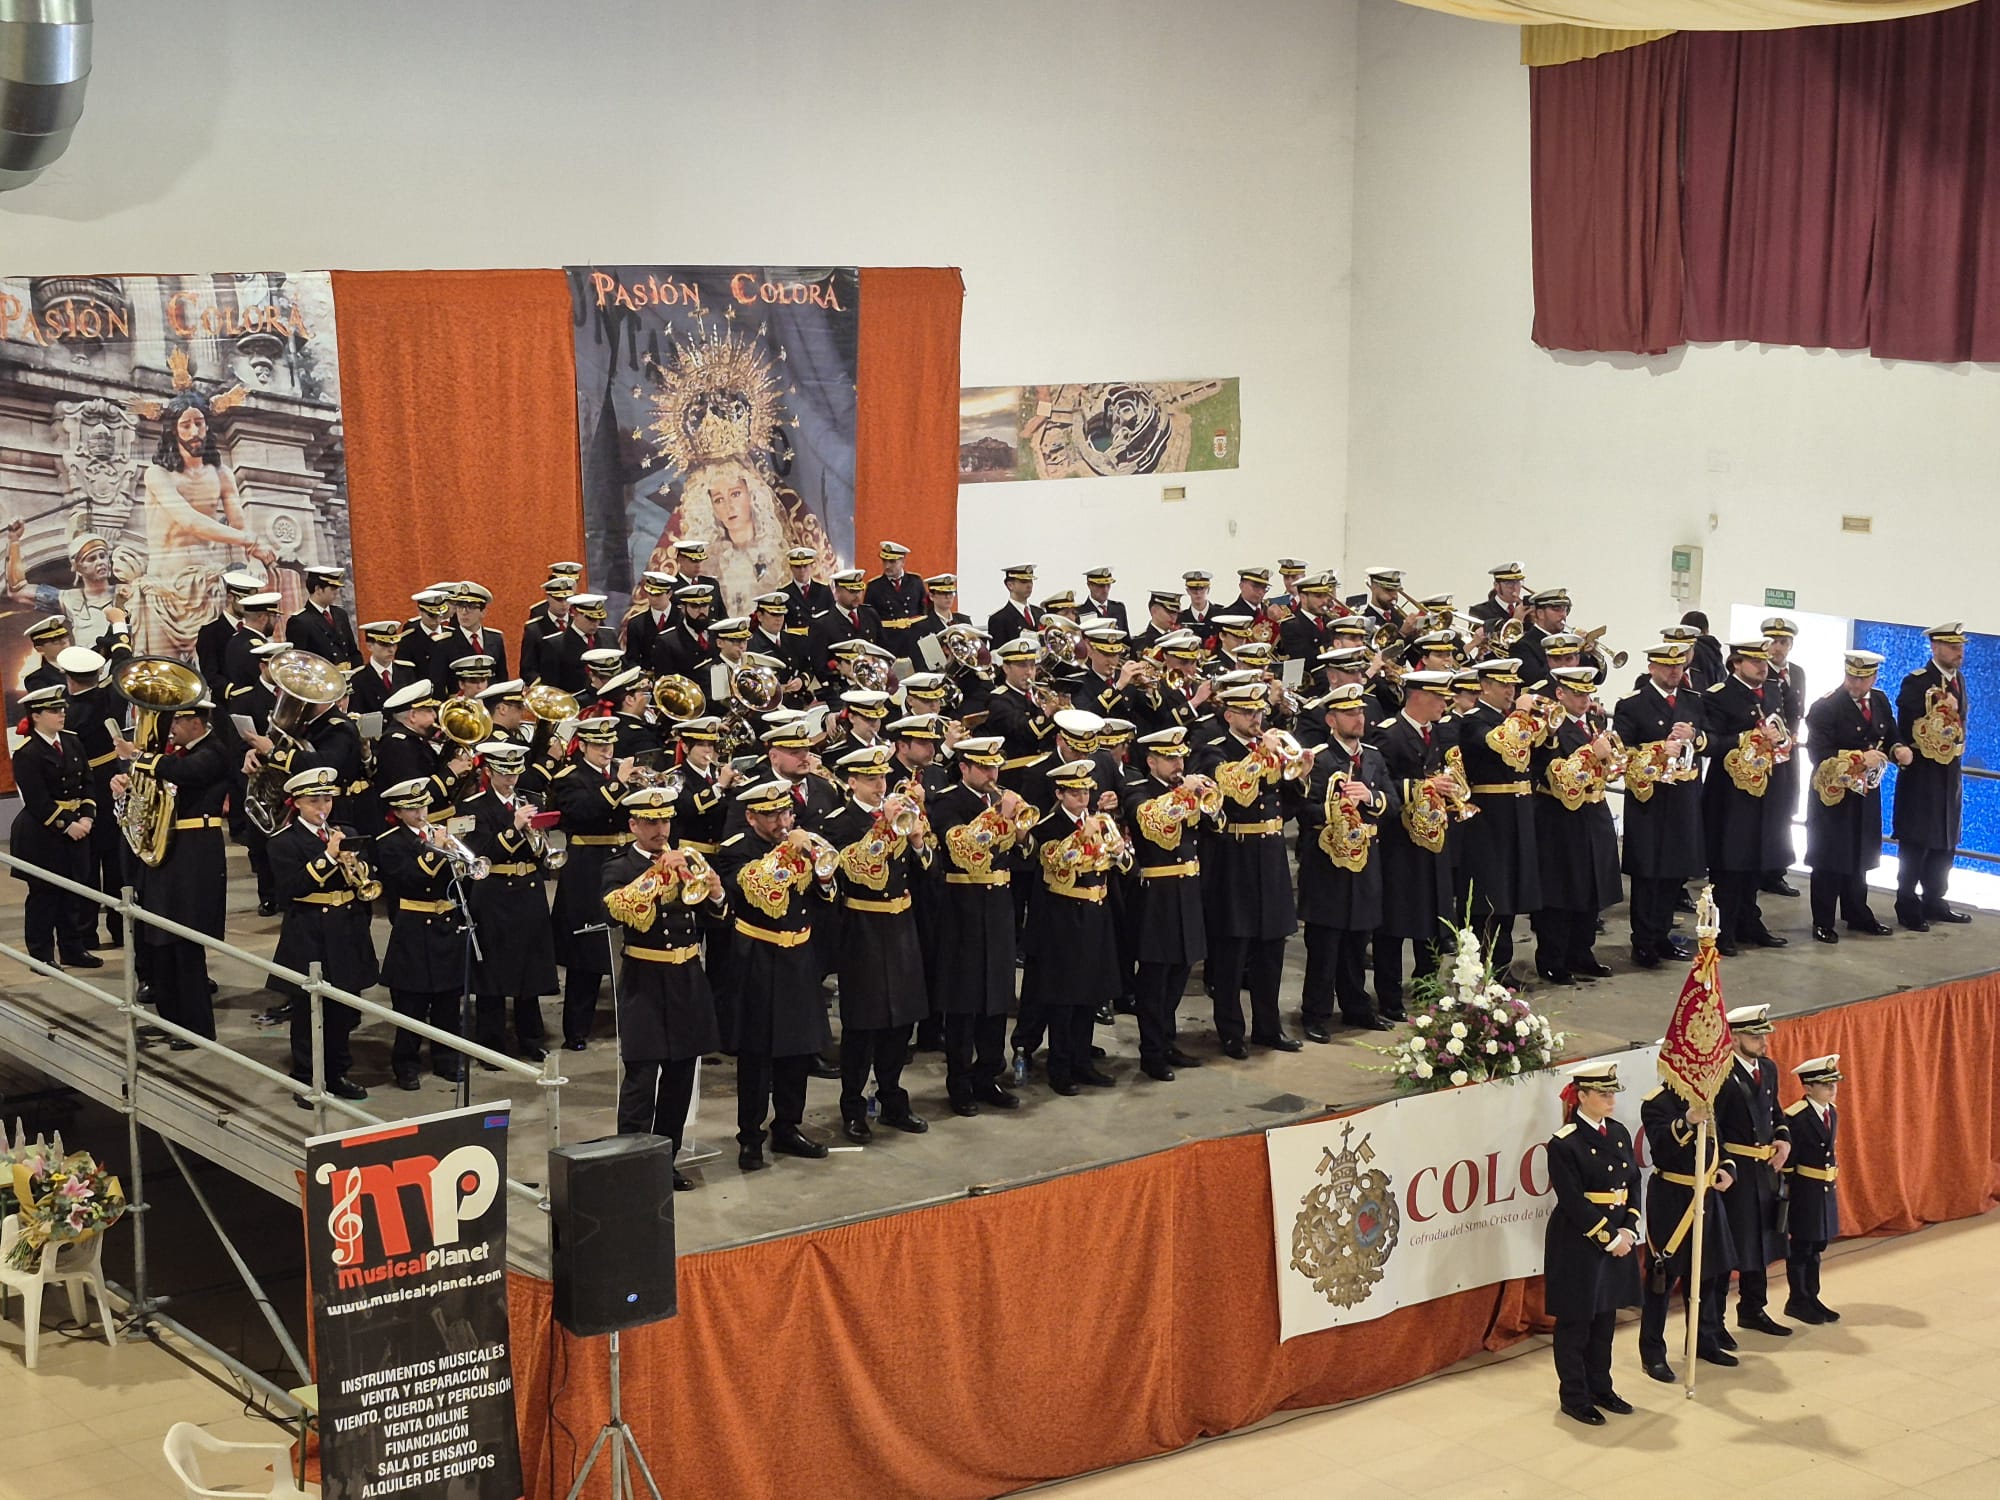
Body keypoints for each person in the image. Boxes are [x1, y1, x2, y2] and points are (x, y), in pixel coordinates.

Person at [601, 787, 724, 1190]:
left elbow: (718, 918)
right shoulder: (620, 866)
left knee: (679, 1079)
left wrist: (717, 889)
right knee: (641, 1078)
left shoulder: (689, 861)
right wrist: (657, 874)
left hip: (686, 977)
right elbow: (614, 911)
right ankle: (631, 1163)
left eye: (665, 821)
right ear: (633, 825)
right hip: (646, 981)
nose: (660, 829)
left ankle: (665, 1160)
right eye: (650, 822)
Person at [715, 780, 838, 1168]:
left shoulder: (803, 844)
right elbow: (756, 890)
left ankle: (788, 1125)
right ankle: (750, 1134)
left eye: (786, 813)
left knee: (796, 1049)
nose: (782, 821)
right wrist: (788, 850)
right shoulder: (736, 851)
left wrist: (823, 876)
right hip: (757, 956)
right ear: (751, 816)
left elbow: (827, 894)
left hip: (799, 955)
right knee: (757, 1053)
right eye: (771, 815)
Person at [820, 744, 933, 1140]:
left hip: (901, 925)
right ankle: (853, 1106)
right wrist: (883, 827)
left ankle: (892, 1098)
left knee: (901, 1021)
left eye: (882, 778)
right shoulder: (840, 822)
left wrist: (918, 841)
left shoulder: (902, 815)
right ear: (851, 781)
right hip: (863, 927)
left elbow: (926, 871)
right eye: (870, 779)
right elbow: (853, 871)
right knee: (862, 1025)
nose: (879, 785)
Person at [1189, 684, 1302, 1056]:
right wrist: (1262, 757)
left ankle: (1269, 1027)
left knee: (1272, 947)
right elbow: (1233, 789)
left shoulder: (1269, 749)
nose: (1257, 719)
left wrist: (1299, 775)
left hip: (1269, 853)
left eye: (1259, 712)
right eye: (1248, 713)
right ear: (1229, 717)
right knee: (1231, 950)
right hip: (1233, 856)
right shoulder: (1214, 751)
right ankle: (1231, 1031)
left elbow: (1288, 802)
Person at [112, 696, 231, 1043]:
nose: (172, 728)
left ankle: (196, 1027)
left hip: (193, 855)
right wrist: (127, 786)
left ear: (197, 721)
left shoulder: (213, 750)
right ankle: (170, 1019)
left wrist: (139, 756)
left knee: (185, 943)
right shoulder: (179, 752)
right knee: (159, 940)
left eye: (177, 722)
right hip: (166, 853)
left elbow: (186, 773)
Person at [132, 373, 275, 657]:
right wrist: (251, 540)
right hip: (165, 589)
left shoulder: (221, 474)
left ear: (207, 426)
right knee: (165, 678)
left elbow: (238, 522)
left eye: (199, 423)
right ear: (173, 431)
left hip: (208, 588)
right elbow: (189, 521)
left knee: (211, 669)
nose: (194, 431)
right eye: (185, 425)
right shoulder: (158, 474)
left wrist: (254, 557)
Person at [925, 736, 1029, 1116]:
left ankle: (989, 1074)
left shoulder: (999, 799)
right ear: (965, 767)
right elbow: (961, 848)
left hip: (999, 905)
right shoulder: (949, 801)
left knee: (997, 996)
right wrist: (1000, 816)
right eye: (983, 767)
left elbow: (1022, 850)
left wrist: (1019, 831)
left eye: (994, 766)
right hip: (962, 907)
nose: (991, 773)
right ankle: (960, 1081)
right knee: (964, 1000)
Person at [271, 766, 378, 1106]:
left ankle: (338, 1071)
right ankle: (307, 1077)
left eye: (327, 799)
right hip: (310, 931)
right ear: (297, 803)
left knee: (343, 1009)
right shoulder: (284, 841)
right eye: (315, 800)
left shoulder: (346, 831)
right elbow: (289, 888)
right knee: (308, 1011)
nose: (323, 807)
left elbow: (367, 872)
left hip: (346, 929)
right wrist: (328, 858)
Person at [1544, 1060, 1642, 1426]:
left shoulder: (1616, 1132)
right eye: (1602, 1093)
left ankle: (1602, 1386)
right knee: (1576, 1321)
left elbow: (1633, 1180)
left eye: (1612, 1092)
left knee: (1605, 1319)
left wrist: (1630, 1226)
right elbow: (1572, 1199)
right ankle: (1574, 1394)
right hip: (1579, 1241)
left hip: (1618, 1234)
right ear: (1582, 1096)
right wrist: (1608, 1237)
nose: (1610, 1099)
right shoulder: (1564, 1143)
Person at [1020, 759, 1122, 1093]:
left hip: (1096, 910)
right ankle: (1060, 1066)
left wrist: (1120, 849)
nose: (1083, 798)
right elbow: (1057, 865)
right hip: (1063, 916)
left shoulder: (1100, 821)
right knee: (1064, 996)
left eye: (1086, 791)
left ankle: (1082, 1060)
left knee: (1090, 991)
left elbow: (1122, 863)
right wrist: (1082, 838)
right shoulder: (1048, 827)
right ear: (1060, 793)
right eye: (1075, 792)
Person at [1122, 728, 1216, 1078]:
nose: (1178, 764)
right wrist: (1185, 793)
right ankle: (1151, 1052)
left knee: (1179, 973)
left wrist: (1206, 800)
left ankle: (1166, 1041)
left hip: (1188, 891)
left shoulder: (1187, 792)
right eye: (1170, 758)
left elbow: (1212, 826)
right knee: (1154, 979)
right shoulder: (1137, 792)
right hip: (1156, 895)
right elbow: (1151, 820)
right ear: (1151, 762)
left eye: (1180, 757)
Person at [461, 740, 558, 1062]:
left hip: (528, 889)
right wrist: (515, 828)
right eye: (505, 774)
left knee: (529, 969)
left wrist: (541, 842)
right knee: (494, 972)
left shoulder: (530, 800)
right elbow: (480, 851)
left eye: (516, 773)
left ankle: (531, 1039)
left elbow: (540, 845)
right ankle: (492, 1045)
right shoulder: (474, 806)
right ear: (489, 772)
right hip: (495, 891)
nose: (512, 780)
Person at [1369, 670, 1458, 1019]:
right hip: (1398, 843)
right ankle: (1389, 998)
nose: (1443, 704)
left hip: (1432, 837)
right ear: (1417, 696)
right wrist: (1423, 786)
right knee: (1394, 923)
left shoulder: (1435, 733)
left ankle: (1427, 987)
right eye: (1438, 697)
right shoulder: (1389, 735)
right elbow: (1382, 781)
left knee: (1433, 916)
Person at [372, 778, 471, 1089]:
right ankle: (406, 1064)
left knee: (447, 1001)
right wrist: (436, 852)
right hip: (413, 926)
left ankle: (446, 1059)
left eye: (423, 806)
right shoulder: (389, 842)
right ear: (398, 812)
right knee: (410, 1003)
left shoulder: (438, 836)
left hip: (446, 923)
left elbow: (459, 882)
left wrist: (459, 860)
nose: (420, 813)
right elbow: (407, 878)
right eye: (412, 808)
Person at [1802, 650, 1906, 943]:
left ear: (1873, 678)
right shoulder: (1826, 707)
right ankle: (1822, 920)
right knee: (1829, 857)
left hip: (1866, 792)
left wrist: (1897, 749)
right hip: (1833, 794)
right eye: (1851, 677)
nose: (1855, 684)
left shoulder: (1881, 700)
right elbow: (1818, 754)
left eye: (1862, 679)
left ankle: (1857, 912)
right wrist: (1859, 758)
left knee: (1860, 855)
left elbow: (1890, 733)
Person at [1637, 1084, 1738, 1383]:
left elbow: (1720, 1140)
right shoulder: (1656, 1102)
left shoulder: (1708, 1095)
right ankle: (1652, 1352)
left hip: (1707, 1195)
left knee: (1710, 1272)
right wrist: (1687, 1120)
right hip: (1672, 1197)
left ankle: (1704, 1339)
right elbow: (1661, 1146)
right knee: (1662, 1278)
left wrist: (1728, 1167)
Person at [1613, 641, 1705, 969]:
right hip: (1649, 800)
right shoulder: (1634, 705)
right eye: (1666, 666)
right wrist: (1657, 750)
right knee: (1648, 873)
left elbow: (1707, 740)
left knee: (1673, 872)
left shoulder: (1693, 701)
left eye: (1678, 665)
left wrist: (1695, 737)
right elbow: (1621, 751)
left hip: (1682, 798)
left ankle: (1663, 935)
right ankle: (1643, 941)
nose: (1673, 671)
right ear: (1652, 667)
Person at [550, 716, 640, 1048]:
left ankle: (629, 1021)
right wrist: (617, 784)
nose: (607, 750)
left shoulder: (619, 775)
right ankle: (576, 1030)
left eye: (610, 745)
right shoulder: (570, 778)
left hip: (622, 861)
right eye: (600, 746)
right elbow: (582, 812)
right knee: (585, 953)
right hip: (587, 868)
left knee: (630, 944)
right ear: (584, 746)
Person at [1451, 658, 1544, 978]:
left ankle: (1500, 967)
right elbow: (1501, 744)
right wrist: (1521, 712)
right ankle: (1482, 970)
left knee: (1508, 900)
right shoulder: (1474, 720)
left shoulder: (1504, 718)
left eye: (1513, 684)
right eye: (1503, 684)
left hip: (1516, 816)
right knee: (1489, 902)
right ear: (1485, 686)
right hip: (1488, 821)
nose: (1510, 690)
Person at [1529, 668, 1622, 986]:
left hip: (1593, 811)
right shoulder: (1549, 727)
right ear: (1560, 694)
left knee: (1591, 886)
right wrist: (1590, 754)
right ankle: (1552, 958)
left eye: (1588, 694)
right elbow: (1553, 772)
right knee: (1561, 890)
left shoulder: (1593, 722)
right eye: (1578, 694)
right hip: (1560, 817)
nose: (1585, 700)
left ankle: (1582, 951)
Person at [1701, 640, 1791, 955]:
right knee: (1729, 864)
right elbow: (1710, 742)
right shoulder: (1719, 695)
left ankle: (1749, 922)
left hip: (1766, 786)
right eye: (1754, 662)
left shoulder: (1773, 689)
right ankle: (1722, 929)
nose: (1762, 667)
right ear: (1736, 663)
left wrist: (1781, 738)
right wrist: (1746, 738)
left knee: (1756, 859)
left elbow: (1782, 726)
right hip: (1731, 793)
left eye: (1764, 661)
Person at [1713, 1004, 1794, 1337]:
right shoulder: (1721, 1075)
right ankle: (1713, 1322)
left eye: (1763, 1035)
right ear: (1734, 1038)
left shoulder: (1769, 1069)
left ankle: (1753, 1307)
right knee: (1731, 1245)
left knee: (1762, 1240)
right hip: (1737, 1169)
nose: (1763, 1042)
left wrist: (1783, 1139)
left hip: (1765, 1169)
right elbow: (1714, 1126)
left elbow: (1776, 1112)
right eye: (1754, 1036)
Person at [8, 685, 100, 968]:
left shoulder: (72, 742)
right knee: (44, 897)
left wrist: (86, 816)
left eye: (62, 709)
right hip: (43, 833)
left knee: (73, 894)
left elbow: (87, 781)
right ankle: (41, 954)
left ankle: (73, 949)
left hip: (76, 829)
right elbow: (38, 800)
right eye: (53, 710)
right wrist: (67, 824)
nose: (61, 714)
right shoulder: (27, 752)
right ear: (36, 716)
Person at [1893, 623, 1972, 930]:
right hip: (1922, 774)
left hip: (1949, 773)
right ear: (1936, 647)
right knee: (1916, 841)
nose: (1959, 652)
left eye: (1961, 646)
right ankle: (1907, 902)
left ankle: (1935, 900)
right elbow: (1907, 723)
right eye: (1953, 646)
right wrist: (1939, 710)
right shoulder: (1918, 681)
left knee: (1945, 840)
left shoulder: (1959, 680)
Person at [1782, 1054, 1844, 1325]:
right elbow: (1789, 1164)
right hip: (1804, 1191)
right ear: (1808, 1088)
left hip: (1824, 1189)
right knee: (1802, 1248)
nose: (1832, 1089)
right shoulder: (1796, 1117)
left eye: (1833, 1083)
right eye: (1824, 1084)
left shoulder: (1831, 1112)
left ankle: (1812, 1296)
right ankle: (1797, 1299)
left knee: (1816, 1247)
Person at [1759, 617, 1805, 899]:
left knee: (1787, 806)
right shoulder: (1763, 675)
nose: (1778, 648)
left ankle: (1777, 871)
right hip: (1767, 753)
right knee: (1769, 811)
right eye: (1774, 642)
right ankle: (1763, 868)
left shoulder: (1797, 672)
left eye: (1784, 642)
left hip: (1791, 750)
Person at [863, 540, 928, 663]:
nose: (887, 566)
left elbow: (924, 611)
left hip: (913, 641)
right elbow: (869, 620)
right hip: (888, 642)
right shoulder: (874, 586)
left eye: (892, 562)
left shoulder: (915, 582)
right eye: (884, 561)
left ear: (903, 561)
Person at [285, 565, 360, 667]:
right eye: (333, 588)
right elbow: (299, 662)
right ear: (318, 589)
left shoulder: (340, 614)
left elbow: (353, 651)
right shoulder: (300, 621)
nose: (336, 592)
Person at [986, 563, 1039, 643]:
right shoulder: (999, 619)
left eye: (1030, 581)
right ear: (1010, 585)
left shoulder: (1040, 613)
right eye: (1023, 581)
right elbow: (997, 652)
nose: (1029, 585)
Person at [1077, 565, 1129, 631]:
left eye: (1108, 585)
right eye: (1101, 586)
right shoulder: (1080, 612)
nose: (1105, 590)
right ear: (1089, 585)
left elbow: (1126, 640)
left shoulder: (1118, 609)